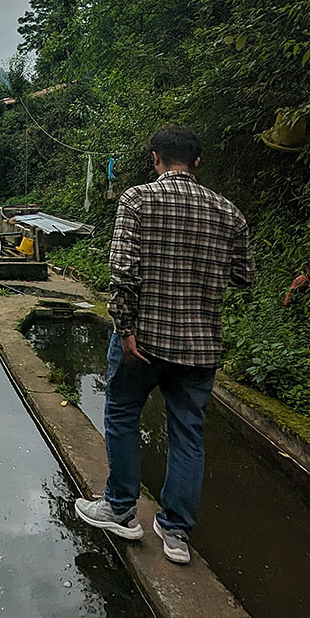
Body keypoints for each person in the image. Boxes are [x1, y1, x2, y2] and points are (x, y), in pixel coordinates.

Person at [75, 125, 255, 564]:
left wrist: (124, 327)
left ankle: (121, 509)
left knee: (122, 414)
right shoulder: (229, 213)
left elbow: (123, 272)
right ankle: (175, 533)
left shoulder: (137, 200)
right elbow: (243, 276)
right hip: (199, 348)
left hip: (143, 342)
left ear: (154, 158)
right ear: (197, 161)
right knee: (188, 433)